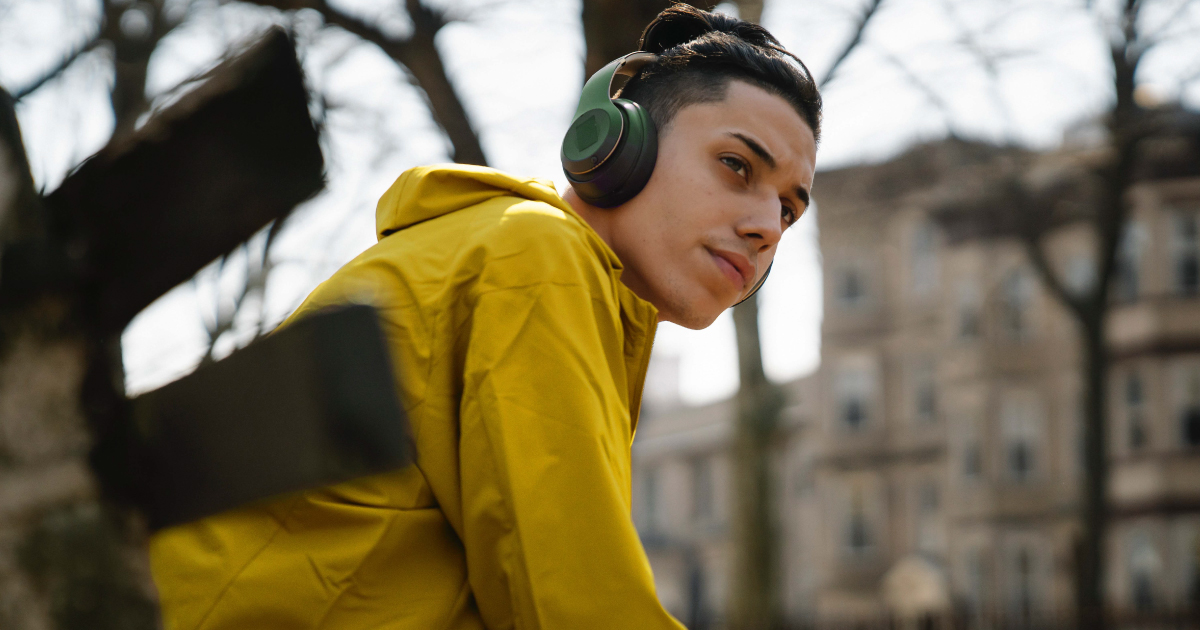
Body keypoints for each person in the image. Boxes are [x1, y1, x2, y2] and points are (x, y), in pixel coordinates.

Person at [149, 4, 820, 629]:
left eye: (789, 210)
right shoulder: (535, 257)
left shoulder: (512, 257)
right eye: (736, 165)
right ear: (615, 146)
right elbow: (577, 604)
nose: (767, 226)